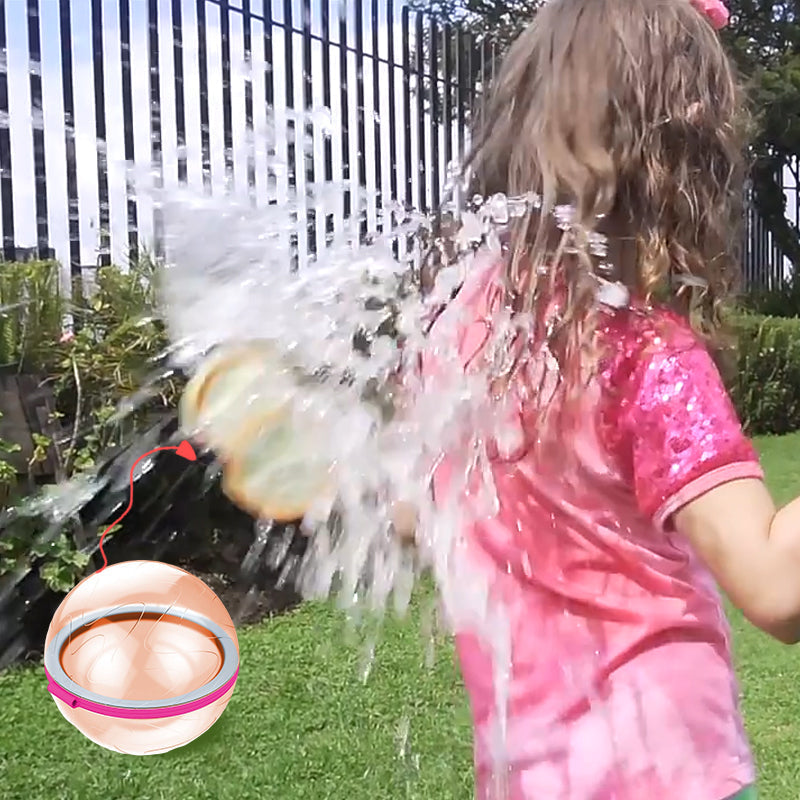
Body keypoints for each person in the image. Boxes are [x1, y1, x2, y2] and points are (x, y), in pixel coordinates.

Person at [392, 0, 782, 797]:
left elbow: (408, 513)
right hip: (670, 769)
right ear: (682, 153)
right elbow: (776, 587)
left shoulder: (459, 327)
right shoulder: (643, 353)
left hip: (527, 773)